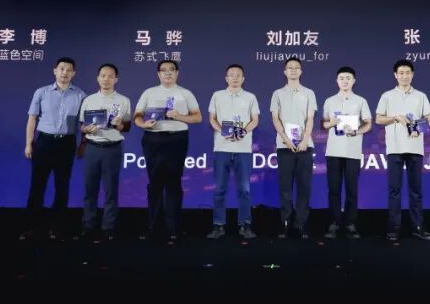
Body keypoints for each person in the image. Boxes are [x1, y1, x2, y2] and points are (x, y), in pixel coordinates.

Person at [133, 60, 202, 240]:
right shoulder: (149, 92)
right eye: (164, 70)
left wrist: (179, 116)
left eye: (172, 70)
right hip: (153, 139)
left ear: (177, 73)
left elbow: (198, 117)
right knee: (154, 183)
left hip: (177, 139)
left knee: (174, 183)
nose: (168, 73)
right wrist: (144, 124)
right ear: (158, 74)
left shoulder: (185, 93)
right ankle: (152, 227)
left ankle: (173, 228)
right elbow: (137, 116)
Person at [24, 57, 86, 240]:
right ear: (55, 71)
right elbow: (32, 118)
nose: (64, 73)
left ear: (74, 73)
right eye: (61, 69)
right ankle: (32, 227)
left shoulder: (81, 95)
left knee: (62, 187)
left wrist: (83, 143)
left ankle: (57, 228)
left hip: (66, 144)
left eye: (69, 70)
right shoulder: (41, 92)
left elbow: (84, 123)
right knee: (37, 186)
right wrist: (29, 143)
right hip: (44, 142)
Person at [375, 59, 430, 240]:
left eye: (407, 72)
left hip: (415, 148)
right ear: (395, 75)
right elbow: (378, 119)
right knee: (394, 190)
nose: (404, 76)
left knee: (416, 190)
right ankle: (394, 228)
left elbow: (428, 119)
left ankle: (418, 227)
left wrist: (419, 128)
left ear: (412, 74)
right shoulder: (387, 96)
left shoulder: (421, 96)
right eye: (401, 73)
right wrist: (395, 118)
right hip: (394, 148)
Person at [78, 63, 132, 240]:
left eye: (110, 76)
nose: (106, 79)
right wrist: (86, 129)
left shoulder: (124, 100)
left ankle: (108, 227)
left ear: (116, 79)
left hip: (112, 149)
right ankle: (88, 225)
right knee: (90, 189)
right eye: (103, 75)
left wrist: (120, 125)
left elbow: (127, 127)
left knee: (111, 190)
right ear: (98, 78)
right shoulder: (89, 100)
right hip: (92, 148)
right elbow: (82, 126)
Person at [207, 64, 260, 239]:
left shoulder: (250, 97)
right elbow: (212, 118)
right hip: (222, 147)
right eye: (231, 74)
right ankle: (218, 225)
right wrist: (222, 131)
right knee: (219, 189)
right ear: (226, 78)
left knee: (244, 189)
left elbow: (255, 120)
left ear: (243, 79)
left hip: (243, 149)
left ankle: (245, 225)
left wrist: (243, 131)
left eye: (238, 75)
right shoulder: (217, 95)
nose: (235, 77)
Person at [320, 66, 372, 239]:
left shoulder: (361, 101)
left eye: (348, 78)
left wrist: (356, 131)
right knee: (333, 189)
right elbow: (324, 124)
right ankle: (334, 223)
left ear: (354, 81)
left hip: (353, 151)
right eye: (341, 78)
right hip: (333, 151)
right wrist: (332, 122)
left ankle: (350, 223)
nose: (345, 81)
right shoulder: (329, 101)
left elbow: (368, 124)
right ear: (337, 81)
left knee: (352, 189)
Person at [270, 57, 317, 239]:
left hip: (305, 146)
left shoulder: (309, 93)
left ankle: (301, 224)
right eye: (290, 67)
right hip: (284, 147)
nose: (293, 70)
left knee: (304, 187)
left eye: (296, 67)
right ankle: (285, 224)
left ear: (301, 71)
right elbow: (275, 118)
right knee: (285, 188)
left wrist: (305, 140)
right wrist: (286, 140)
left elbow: (310, 118)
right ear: (285, 71)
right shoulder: (277, 93)